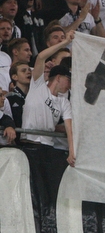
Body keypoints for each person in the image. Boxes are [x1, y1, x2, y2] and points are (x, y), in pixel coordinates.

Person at [21, 31, 75, 165]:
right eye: (69, 80)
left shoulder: (64, 102)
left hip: (48, 146)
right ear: (58, 78)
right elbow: (40, 57)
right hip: (29, 143)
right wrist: (65, 42)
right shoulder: (38, 85)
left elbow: (69, 128)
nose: (70, 85)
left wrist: (72, 151)